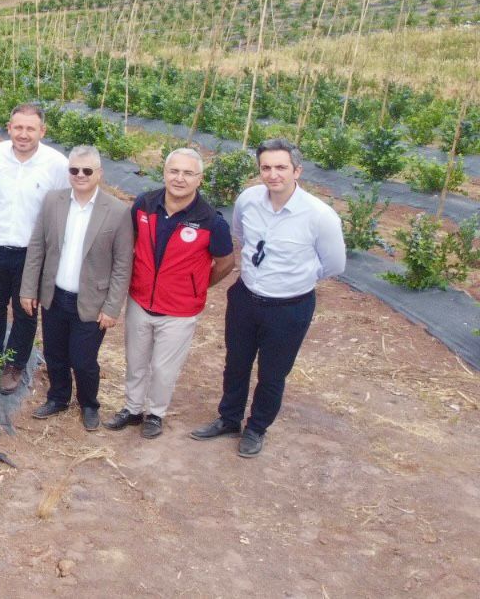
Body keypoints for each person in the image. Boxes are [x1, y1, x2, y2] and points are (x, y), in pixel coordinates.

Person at [191, 138, 345, 458]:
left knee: (272, 374)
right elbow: (242, 236)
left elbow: (334, 265)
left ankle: (256, 428)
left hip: (289, 308)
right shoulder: (248, 200)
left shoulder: (319, 216)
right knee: (236, 363)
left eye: (281, 167)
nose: (273, 174)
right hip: (245, 298)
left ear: (297, 171)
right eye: (266, 167)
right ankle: (229, 419)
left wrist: (294, 279)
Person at [106, 149, 235, 439]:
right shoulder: (144, 205)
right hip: (140, 300)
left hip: (179, 310)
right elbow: (131, 243)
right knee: (136, 360)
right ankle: (132, 408)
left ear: (199, 179)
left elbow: (226, 263)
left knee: (164, 368)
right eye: (174, 171)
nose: (179, 178)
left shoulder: (210, 221)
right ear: (164, 173)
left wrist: (196, 285)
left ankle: (155, 414)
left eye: (188, 173)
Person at [18, 146, 134, 431]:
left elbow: (122, 264)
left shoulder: (117, 211)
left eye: (87, 170)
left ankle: (89, 404)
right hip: (55, 295)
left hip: (92, 301)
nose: (80, 175)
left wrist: (112, 307)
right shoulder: (53, 201)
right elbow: (37, 247)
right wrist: (28, 289)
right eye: (74, 170)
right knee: (54, 353)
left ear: (99, 173)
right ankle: (58, 397)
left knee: (83, 360)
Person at [0, 103, 70, 393]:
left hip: (32, 254)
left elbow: (66, 206)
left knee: (26, 310)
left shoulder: (56, 164)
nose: (23, 134)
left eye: (30, 128)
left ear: (42, 131)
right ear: (9, 128)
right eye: (18, 127)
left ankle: (15, 364)